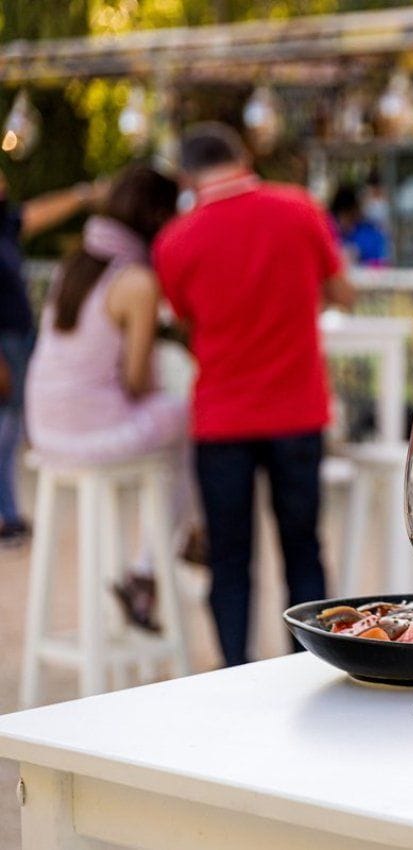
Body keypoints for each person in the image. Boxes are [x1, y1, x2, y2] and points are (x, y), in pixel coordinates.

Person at [153, 122, 355, 667]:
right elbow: (343, 293)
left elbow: (184, 319)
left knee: (229, 558)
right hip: (297, 410)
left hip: (221, 418)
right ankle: (306, 668)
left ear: (186, 175)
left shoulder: (176, 238)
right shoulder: (299, 208)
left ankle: (234, 674)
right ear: (243, 156)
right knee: (304, 550)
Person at [25, 163, 189, 630]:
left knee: (178, 434)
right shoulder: (136, 281)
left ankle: (174, 550)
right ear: (158, 217)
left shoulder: (74, 265)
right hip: (91, 435)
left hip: (46, 431)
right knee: (196, 419)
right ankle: (152, 565)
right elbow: (139, 383)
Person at [0, 171, 104, 545]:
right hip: (4, 347)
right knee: (5, 431)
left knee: (10, 431)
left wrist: (85, 194)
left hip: (17, 340)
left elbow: (40, 211)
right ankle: (6, 515)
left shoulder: (6, 224)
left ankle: (8, 513)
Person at [330, 184, 389, 266]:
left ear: (356, 212)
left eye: (349, 216)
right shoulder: (329, 231)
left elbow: (381, 264)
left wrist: (360, 258)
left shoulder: (371, 234)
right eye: (341, 218)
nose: (344, 222)